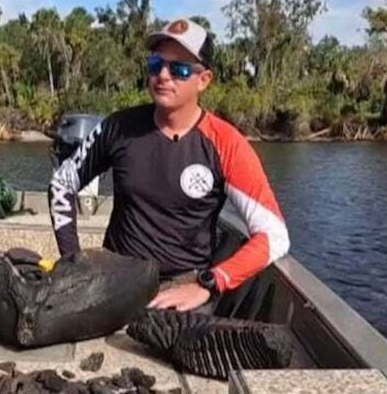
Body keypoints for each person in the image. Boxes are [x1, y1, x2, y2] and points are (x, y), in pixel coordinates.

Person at [47, 18, 289, 312]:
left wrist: (210, 283)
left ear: (203, 80)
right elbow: (63, 183)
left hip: (185, 287)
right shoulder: (119, 127)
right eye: (155, 65)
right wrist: (73, 261)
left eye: (179, 69)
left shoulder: (227, 144)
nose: (163, 75)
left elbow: (274, 235)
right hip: (114, 280)